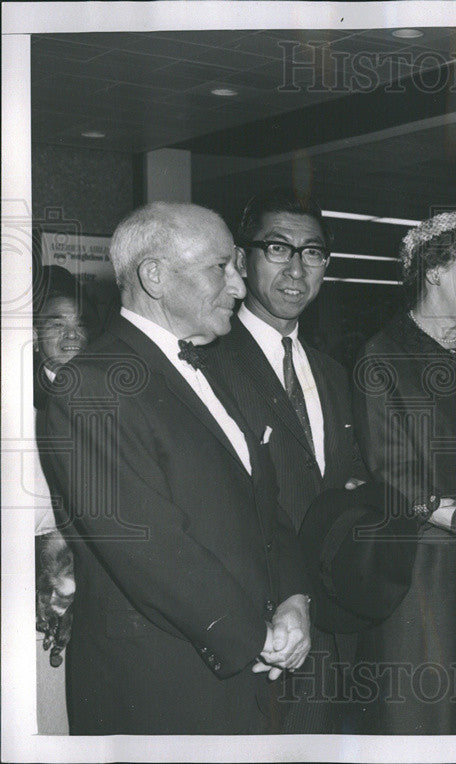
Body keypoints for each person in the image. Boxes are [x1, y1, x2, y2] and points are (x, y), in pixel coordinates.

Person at [40, 202, 312, 735]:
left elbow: (266, 510)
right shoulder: (90, 387)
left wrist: (295, 600)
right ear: (155, 276)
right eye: (221, 268)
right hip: (161, 688)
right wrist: (255, 638)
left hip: (247, 671)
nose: (239, 286)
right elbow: (149, 549)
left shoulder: (220, 368)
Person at [203, 192, 369, 733]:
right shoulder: (209, 365)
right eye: (278, 248)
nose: (297, 269)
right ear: (242, 260)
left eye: (313, 253)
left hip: (332, 629)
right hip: (259, 630)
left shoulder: (333, 373)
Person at [351, 210, 456, 734]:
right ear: (434, 272)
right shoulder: (382, 356)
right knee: (417, 719)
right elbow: (395, 473)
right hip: (417, 573)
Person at [33, 266, 90, 734]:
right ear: (34, 334)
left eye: (80, 324)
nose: (72, 336)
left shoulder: (110, 398)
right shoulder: (21, 403)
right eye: (56, 324)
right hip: (40, 583)